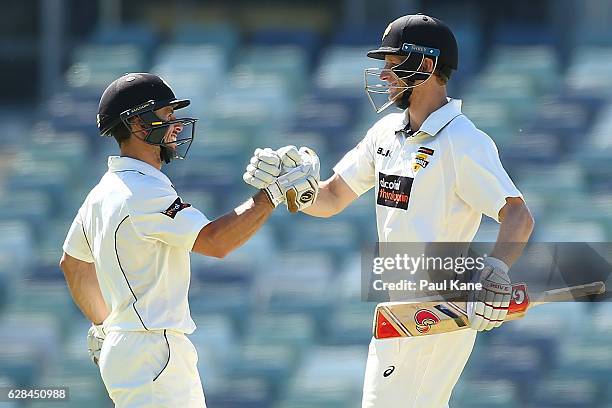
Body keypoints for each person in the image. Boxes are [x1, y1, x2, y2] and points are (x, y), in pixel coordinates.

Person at [244, 14, 534, 408]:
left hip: (440, 303)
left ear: (427, 66)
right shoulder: (384, 134)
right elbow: (331, 197)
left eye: (393, 62)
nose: (383, 74)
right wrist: (290, 187)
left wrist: (496, 269)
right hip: (400, 300)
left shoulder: (462, 140)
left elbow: (517, 214)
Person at [59, 73, 318, 407]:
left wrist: (104, 325)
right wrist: (272, 195)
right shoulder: (143, 191)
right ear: (137, 124)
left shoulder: (102, 192)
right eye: (167, 116)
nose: (176, 125)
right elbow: (215, 242)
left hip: (127, 347)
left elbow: (74, 265)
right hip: (154, 349)